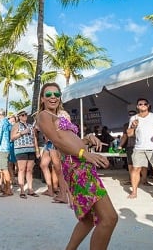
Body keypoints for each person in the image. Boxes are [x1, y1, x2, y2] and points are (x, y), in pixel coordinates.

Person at [36, 82, 117, 250]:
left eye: (56, 94)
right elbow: (57, 141)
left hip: (82, 165)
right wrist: (84, 154)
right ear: (42, 99)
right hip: (77, 166)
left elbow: (71, 140)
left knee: (87, 219)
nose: (53, 97)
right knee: (109, 218)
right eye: (49, 94)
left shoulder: (60, 117)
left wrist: (87, 139)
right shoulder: (43, 115)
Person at [127, 98, 153, 200]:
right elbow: (129, 134)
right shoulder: (133, 118)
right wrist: (133, 126)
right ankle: (134, 192)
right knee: (136, 169)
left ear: (148, 105)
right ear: (137, 106)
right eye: (140, 104)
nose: (143, 105)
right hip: (139, 147)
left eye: (145, 104)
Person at [11, 109, 39, 198]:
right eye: (22, 115)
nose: (25, 116)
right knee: (21, 170)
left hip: (30, 149)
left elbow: (34, 138)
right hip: (20, 149)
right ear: (19, 117)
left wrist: (37, 150)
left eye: (26, 114)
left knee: (30, 170)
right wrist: (22, 133)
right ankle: (22, 190)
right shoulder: (16, 125)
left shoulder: (30, 126)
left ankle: (30, 189)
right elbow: (12, 137)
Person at [0, 109, 13, 197]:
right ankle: (6, 188)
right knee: (4, 169)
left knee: (4, 169)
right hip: (7, 148)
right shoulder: (8, 123)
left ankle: (8, 190)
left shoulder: (1, 123)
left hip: (1, 148)